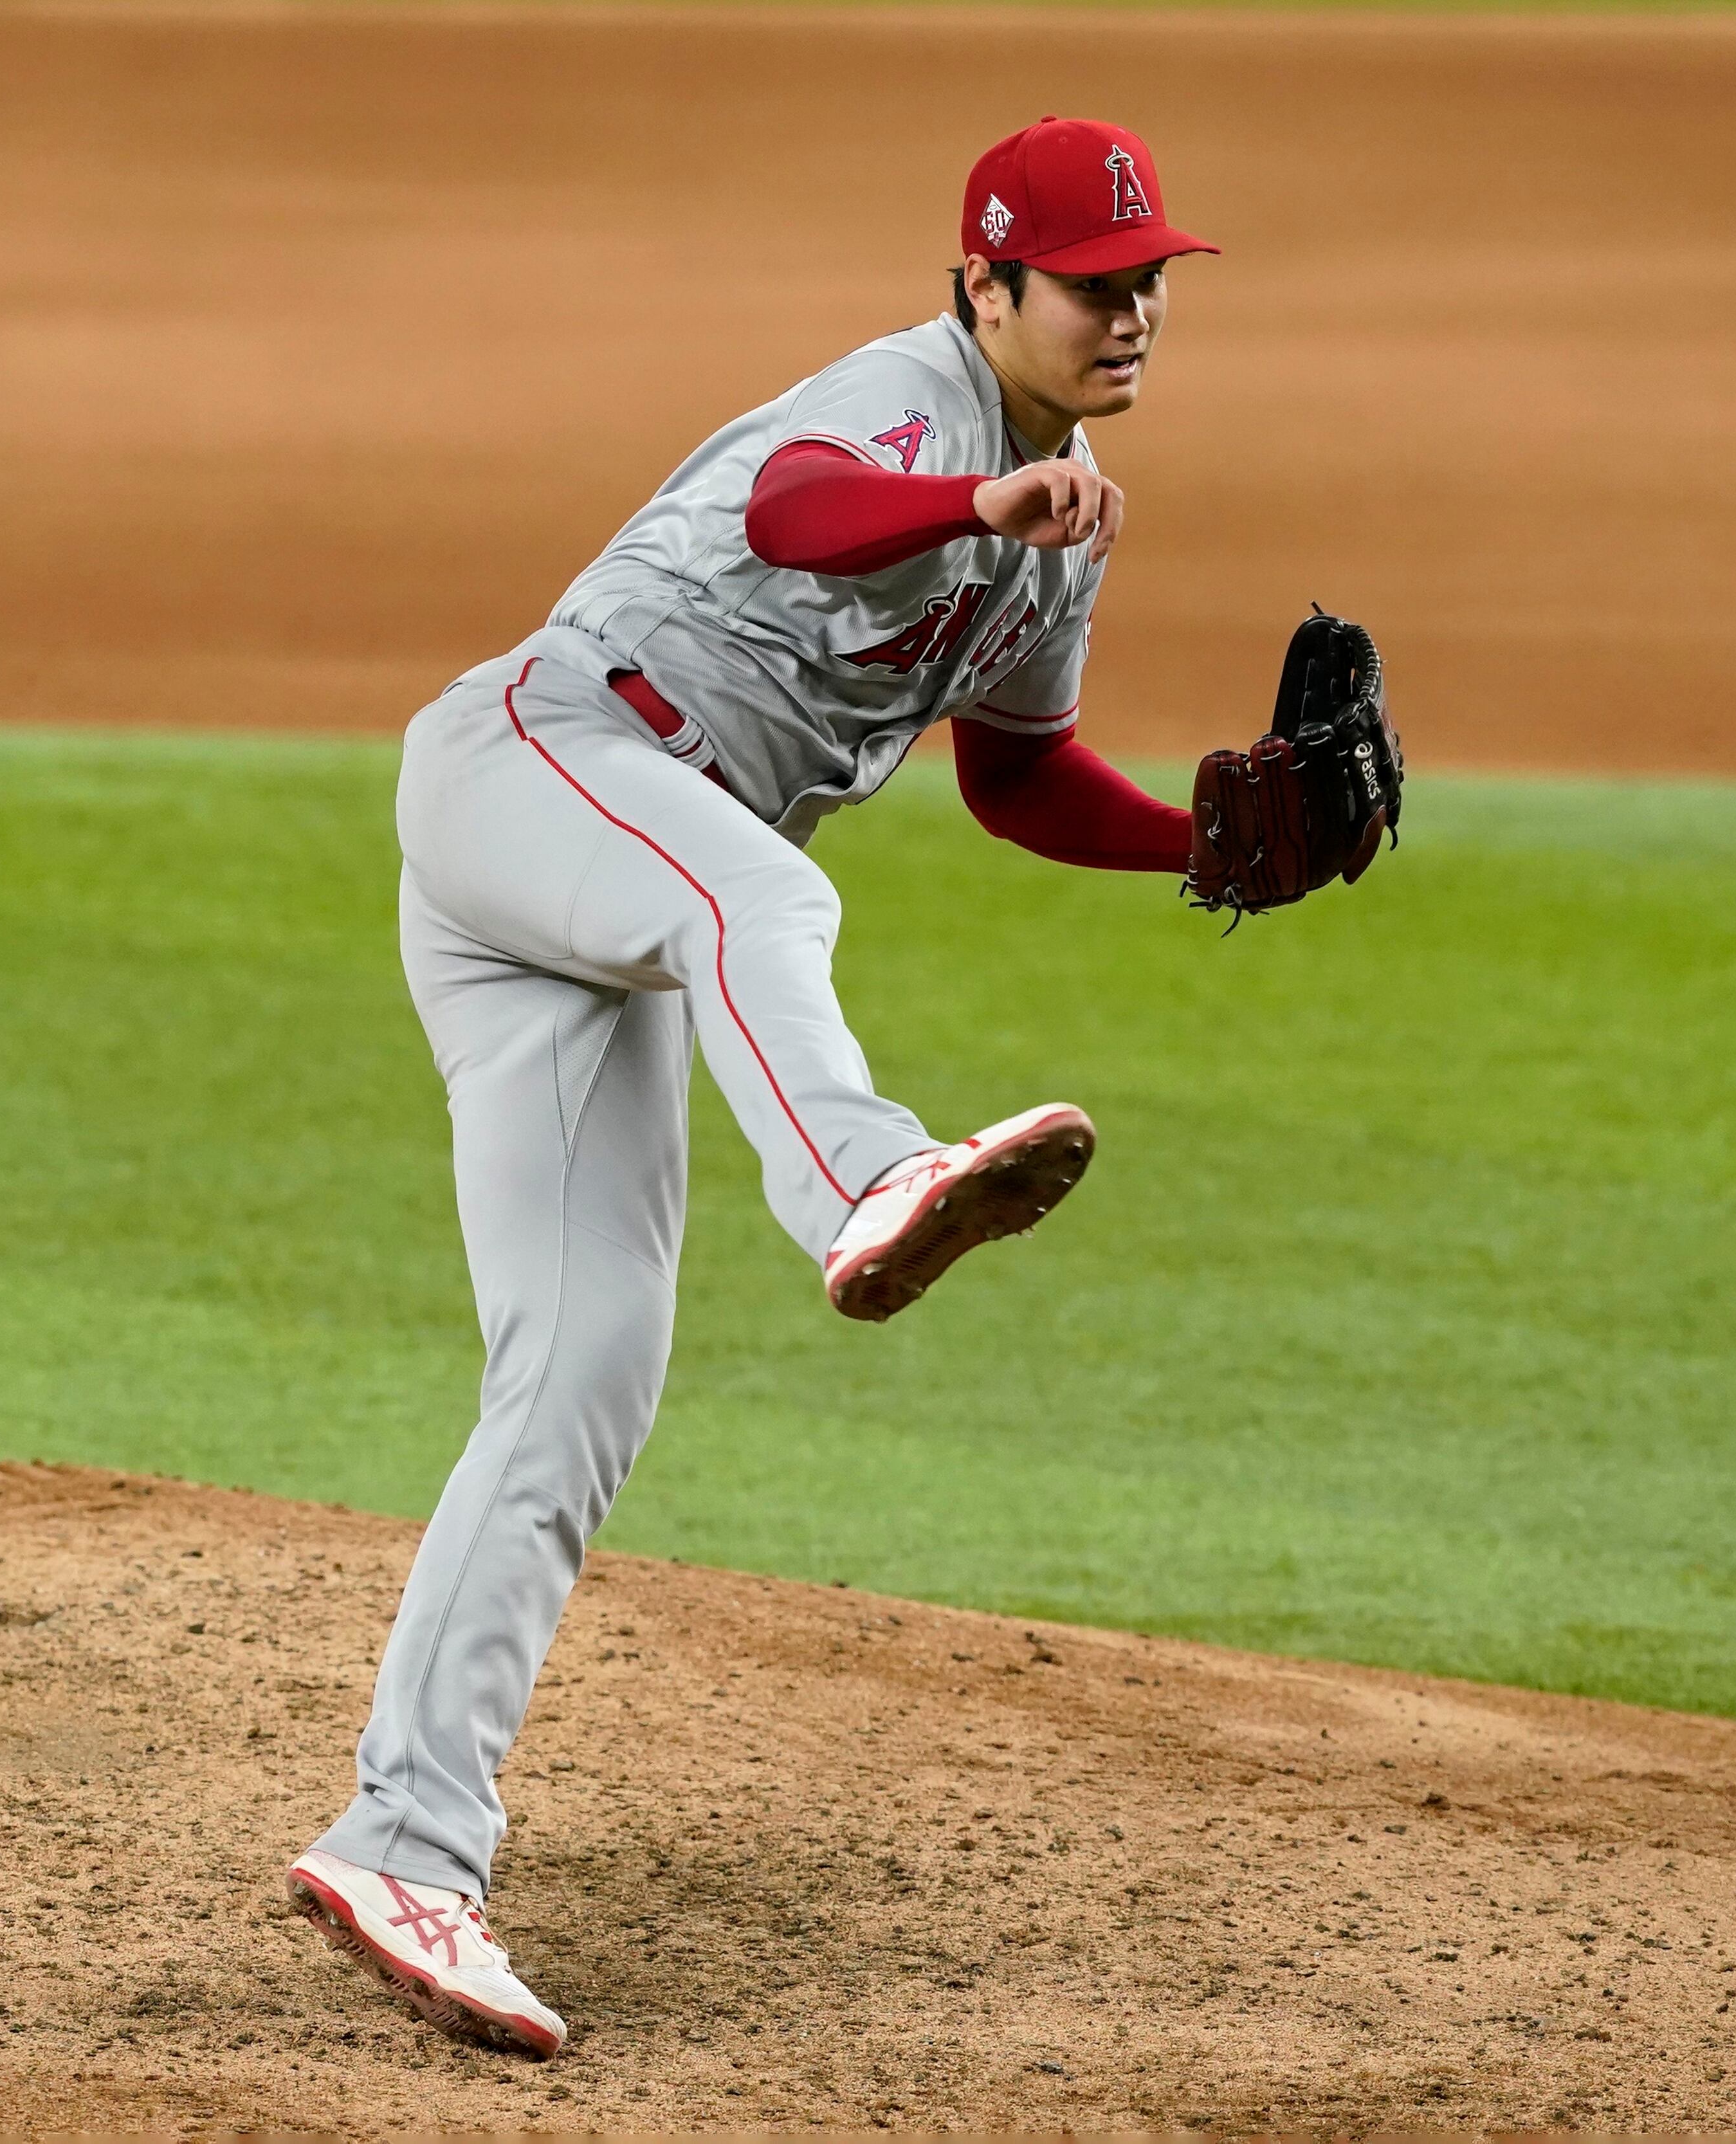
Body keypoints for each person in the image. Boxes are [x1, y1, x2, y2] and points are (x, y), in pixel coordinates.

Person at [284, 115, 1218, 2058]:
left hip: (602, 875)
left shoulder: (1061, 517)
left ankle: (405, 1846)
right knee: (760, 885)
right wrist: (977, 507)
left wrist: (1209, 845)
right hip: (532, 762)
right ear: (986, 284)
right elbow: (797, 515)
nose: (1130, 309)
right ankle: (870, 1178)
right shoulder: (905, 402)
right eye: (1090, 279)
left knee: (582, 1375)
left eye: (1148, 280)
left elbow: (1018, 774)